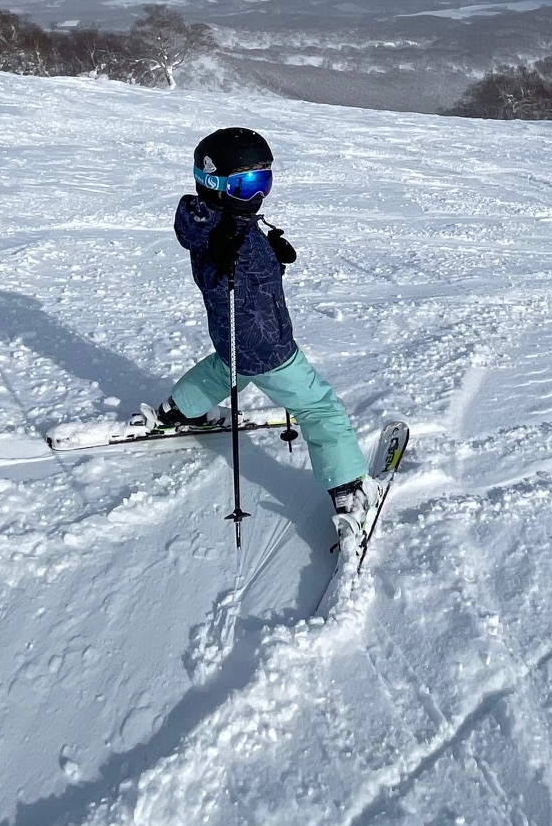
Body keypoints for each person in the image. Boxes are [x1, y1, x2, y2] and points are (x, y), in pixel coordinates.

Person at [144, 126, 377, 537]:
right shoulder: (226, 239)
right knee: (319, 407)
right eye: (245, 183)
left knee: (224, 368)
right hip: (270, 347)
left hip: (234, 338)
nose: (257, 195)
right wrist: (239, 260)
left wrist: (269, 251)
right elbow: (223, 274)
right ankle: (349, 488)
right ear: (214, 183)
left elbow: (233, 256)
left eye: (263, 180)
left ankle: (177, 410)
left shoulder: (212, 219)